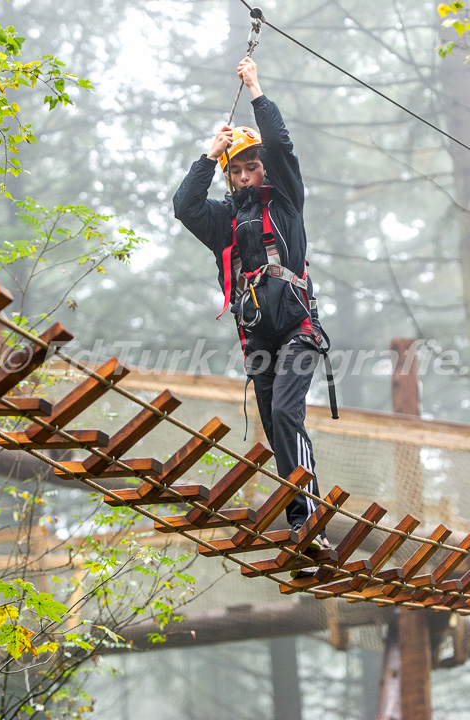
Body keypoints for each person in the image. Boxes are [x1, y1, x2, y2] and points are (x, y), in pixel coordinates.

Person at [173, 57, 330, 549]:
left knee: (287, 415)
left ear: (264, 169)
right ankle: (300, 522)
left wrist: (257, 90)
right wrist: (207, 157)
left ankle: (313, 513)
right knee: (276, 425)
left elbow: (281, 146)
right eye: (236, 170)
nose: (244, 176)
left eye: (251, 166)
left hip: (300, 329)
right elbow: (185, 207)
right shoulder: (223, 221)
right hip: (257, 339)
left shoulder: (286, 201)